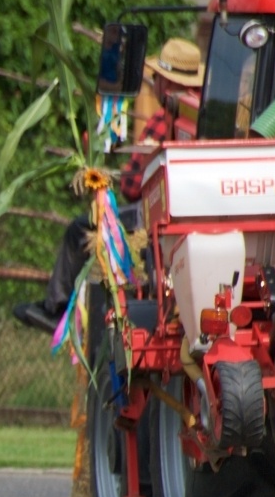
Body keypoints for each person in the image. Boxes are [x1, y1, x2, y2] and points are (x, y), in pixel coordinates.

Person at [14, 39, 199, 334]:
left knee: (82, 229)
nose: (154, 85)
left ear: (166, 82)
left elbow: (131, 186)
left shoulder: (164, 121)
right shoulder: (208, 117)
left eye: (157, 79)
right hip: (190, 216)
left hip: (156, 219)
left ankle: (56, 308)